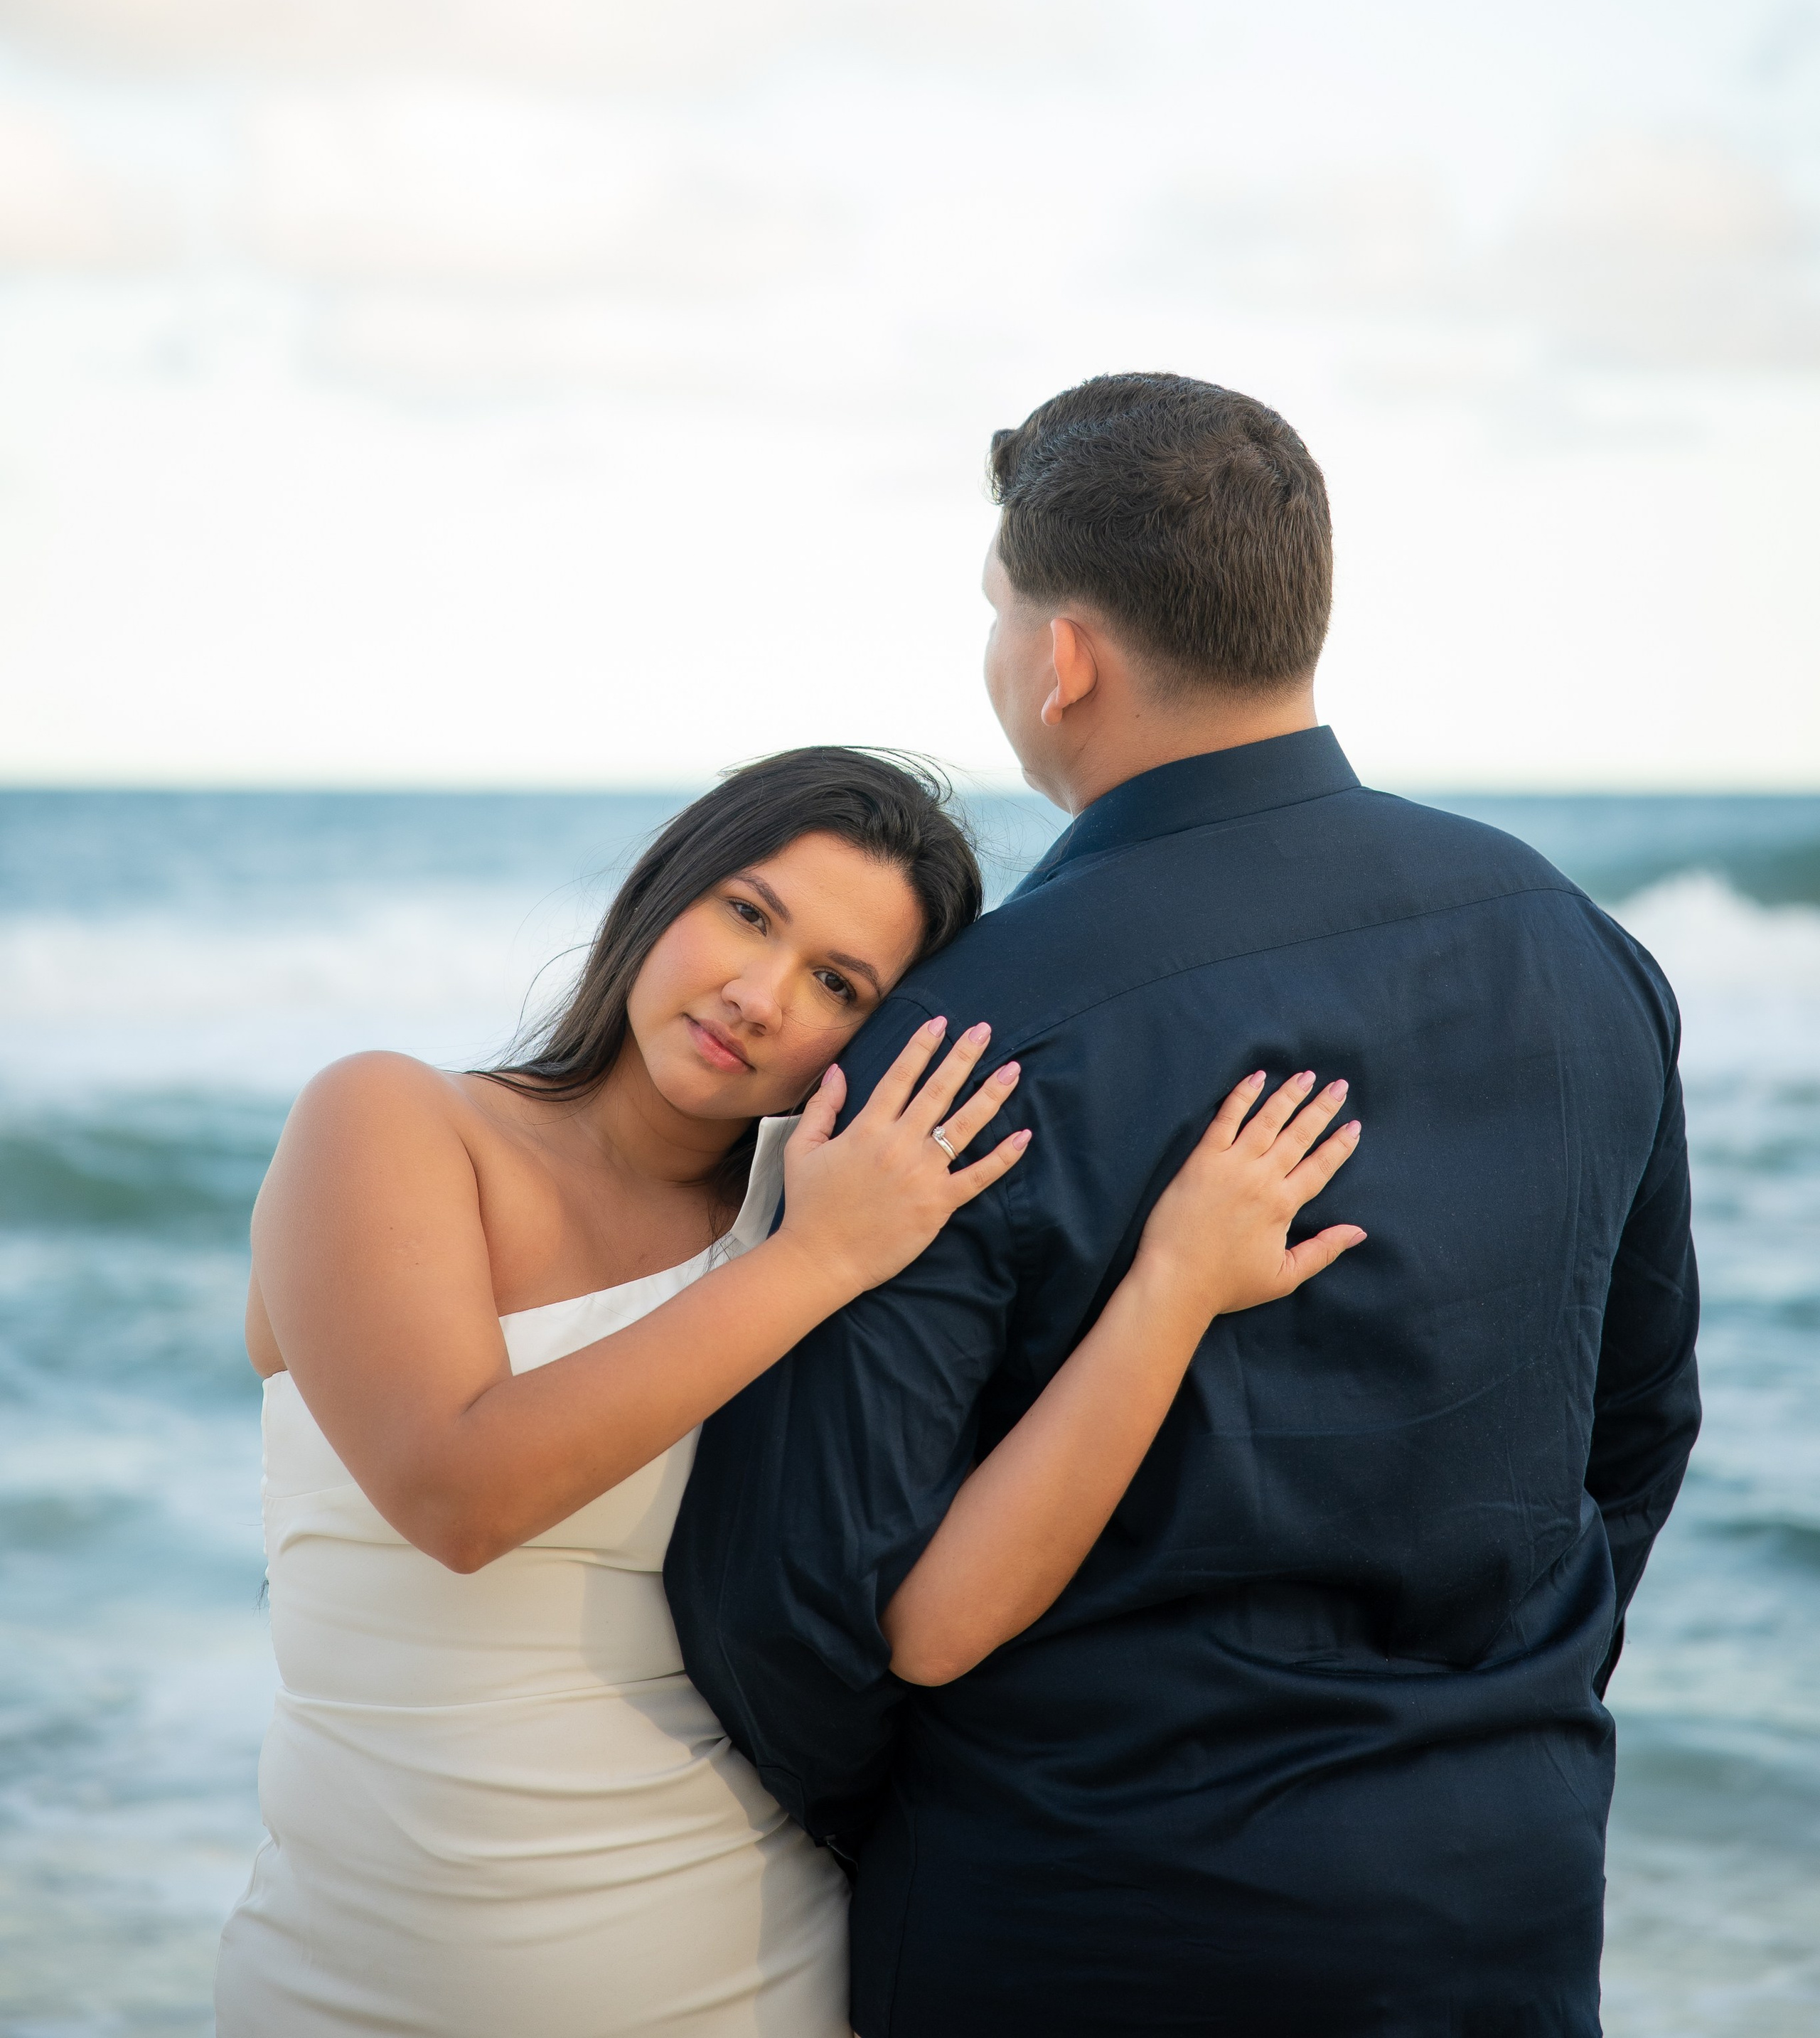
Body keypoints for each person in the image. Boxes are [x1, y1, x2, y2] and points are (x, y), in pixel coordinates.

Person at [667, 372, 1702, 2038]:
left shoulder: (963, 1036)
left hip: (1081, 1916)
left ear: (1062, 656)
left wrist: (944, 1842)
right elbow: (1634, 1431)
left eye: (998, 610)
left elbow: (795, 1599)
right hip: (1492, 1899)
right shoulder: (1581, 950)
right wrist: (1492, 1738)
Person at [215, 745, 1364, 2037]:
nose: (760, 995)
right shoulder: (394, 1121)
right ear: (666, 888)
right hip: (343, 1983)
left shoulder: (826, 1211)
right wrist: (819, 1258)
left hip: (745, 1975)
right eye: (748, 914)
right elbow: (457, 1490)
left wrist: (1171, 1289)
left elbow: (935, 1619)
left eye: (836, 983)